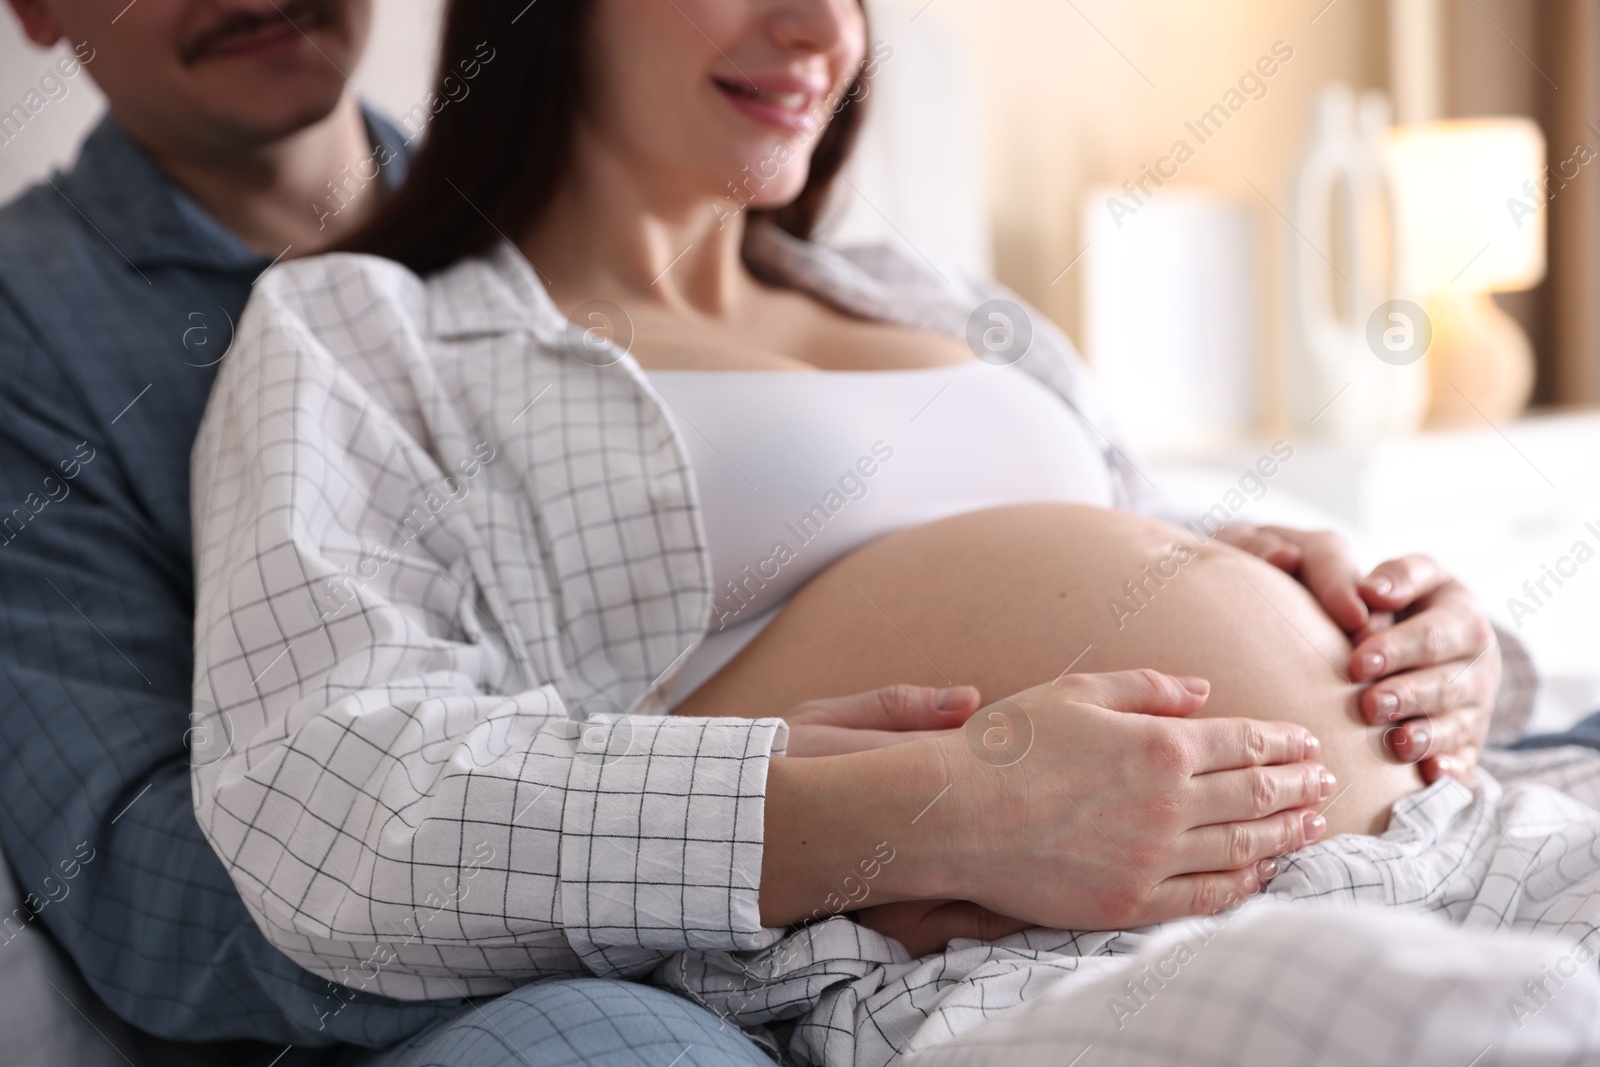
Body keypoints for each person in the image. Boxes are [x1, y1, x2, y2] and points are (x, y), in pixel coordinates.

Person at [181, 2, 1581, 1062]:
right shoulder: (369, 335)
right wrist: (934, 812)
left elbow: (1138, 546)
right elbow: (329, 802)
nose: (821, 31)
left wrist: (1436, 639)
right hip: (1023, 962)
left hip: (1462, 823)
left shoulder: (935, 299)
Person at [0, 0, 843, 1064]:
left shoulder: (565, 188)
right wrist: (730, 877)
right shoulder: (25, 329)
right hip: (489, 1004)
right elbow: (133, 885)